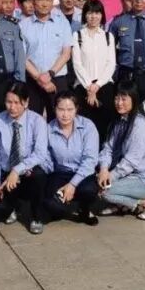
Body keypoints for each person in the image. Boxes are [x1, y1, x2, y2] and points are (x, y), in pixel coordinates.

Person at [96, 80, 145, 221]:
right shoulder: (120, 121)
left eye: (124, 99)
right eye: (117, 98)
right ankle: (122, 204)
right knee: (99, 182)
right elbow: (108, 149)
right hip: (133, 176)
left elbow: (130, 161)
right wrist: (103, 169)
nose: (119, 103)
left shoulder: (139, 124)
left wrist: (109, 177)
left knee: (104, 192)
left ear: (134, 100)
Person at [0, 82, 50, 234]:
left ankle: (36, 216)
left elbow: (40, 153)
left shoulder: (37, 121)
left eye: (17, 102)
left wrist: (17, 170)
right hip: (5, 173)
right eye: (9, 102)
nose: (12, 107)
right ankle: (13, 207)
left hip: (27, 172)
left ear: (26, 102)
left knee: (39, 176)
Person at [43, 91, 101, 226]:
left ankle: (84, 208)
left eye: (70, 110)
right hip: (60, 173)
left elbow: (90, 160)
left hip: (83, 173)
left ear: (76, 109)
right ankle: (61, 205)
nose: (65, 114)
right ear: (54, 109)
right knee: (51, 205)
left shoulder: (88, 126)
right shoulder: (48, 129)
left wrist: (72, 185)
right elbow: (46, 158)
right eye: (61, 109)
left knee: (89, 190)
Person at [20, 0, 73, 117]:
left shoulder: (62, 23)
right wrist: (39, 78)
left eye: (48, 0)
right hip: (33, 80)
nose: (44, 4)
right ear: (33, 1)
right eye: (41, 0)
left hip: (57, 79)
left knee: (60, 118)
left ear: (53, 1)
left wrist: (50, 74)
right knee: (32, 119)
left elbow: (66, 53)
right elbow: (22, 56)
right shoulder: (23, 25)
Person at [71, 0, 116, 139]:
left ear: (102, 15)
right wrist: (89, 86)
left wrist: (97, 85)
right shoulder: (78, 35)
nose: (93, 16)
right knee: (84, 125)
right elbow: (77, 63)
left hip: (104, 86)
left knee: (105, 124)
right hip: (83, 86)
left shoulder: (108, 36)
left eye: (97, 13)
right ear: (85, 15)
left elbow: (111, 63)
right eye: (90, 13)